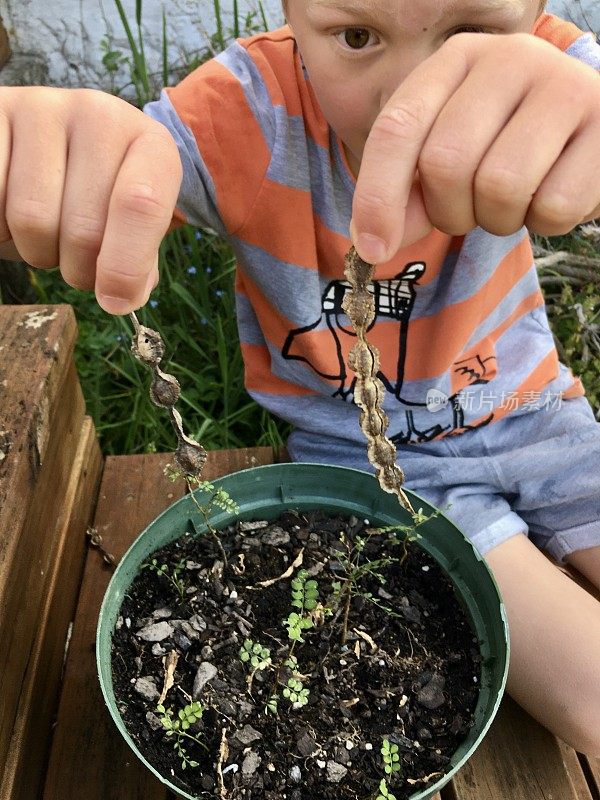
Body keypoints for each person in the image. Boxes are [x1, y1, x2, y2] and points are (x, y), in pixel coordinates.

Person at [1, 0, 599, 757]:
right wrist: (54, 157)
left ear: (538, 11)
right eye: (357, 37)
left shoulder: (561, 75)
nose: (406, 100)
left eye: (472, 34)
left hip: (542, 417)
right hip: (384, 469)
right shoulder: (248, 115)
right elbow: (131, 166)